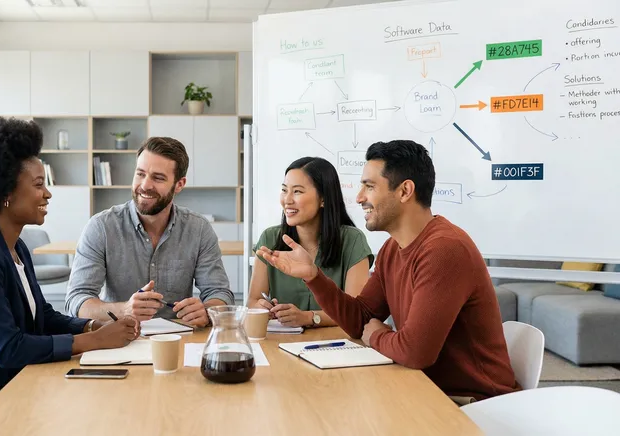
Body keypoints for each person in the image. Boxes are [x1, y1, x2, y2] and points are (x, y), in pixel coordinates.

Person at [0, 118, 139, 435]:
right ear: (5, 192)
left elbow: (41, 315)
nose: (47, 193)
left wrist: (92, 325)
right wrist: (92, 341)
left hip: (8, 390)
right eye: (38, 184)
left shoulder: (14, 246)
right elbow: (8, 348)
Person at [256, 140, 520, 403]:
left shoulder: (445, 249)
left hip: (474, 403)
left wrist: (376, 335)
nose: (359, 197)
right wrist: (313, 276)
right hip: (423, 389)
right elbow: (359, 319)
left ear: (405, 190)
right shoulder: (393, 248)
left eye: (369, 187)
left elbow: (415, 352)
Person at [65, 137, 233, 327]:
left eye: (158, 178)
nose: (145, 185)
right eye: (140, 174)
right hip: (120, 339)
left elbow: (220, 293)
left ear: (179, 184)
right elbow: (77, 301)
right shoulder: (101, 227)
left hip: (180, 339)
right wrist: (125, 310)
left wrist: (207, 311)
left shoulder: (199, 229)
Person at [247, 157, 373, 328]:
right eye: (284, 190)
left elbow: (356, 311)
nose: (287, 200)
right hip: (281, 344)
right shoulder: (270, 238)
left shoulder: (352, 241)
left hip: (335, 347)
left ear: (323, 198)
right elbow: (253, 301)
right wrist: (262, 307)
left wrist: (309, 317)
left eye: (297, 191)